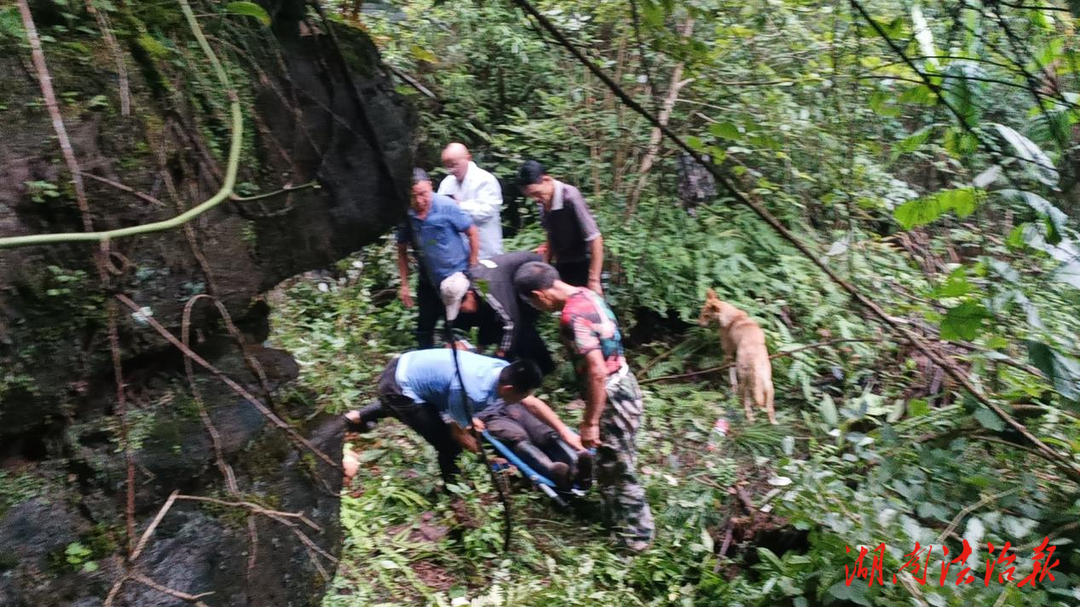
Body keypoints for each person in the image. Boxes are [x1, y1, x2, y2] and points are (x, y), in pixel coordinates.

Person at [513, 261, 654, 552]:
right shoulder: (587, 294)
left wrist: (590, 421)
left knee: (617, 468)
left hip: (613, 395)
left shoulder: (571, 316)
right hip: (625, 384)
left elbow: (597, 371)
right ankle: (618, 520)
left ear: (539, 296)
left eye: (534, 304)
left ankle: (636, 540)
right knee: (610, 463)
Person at [343, 351, 582, 485]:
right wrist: (483, 454)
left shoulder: (502, 370)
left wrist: (565, 433)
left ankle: (358, 417)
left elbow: (533, 403)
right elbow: (457, 433)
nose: (525, 398)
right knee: (447, 445)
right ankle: (454, 491)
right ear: (509, 389)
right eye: (522, 394)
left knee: (428, 410)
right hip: (398, 385)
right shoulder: (472, 390)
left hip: (410, 366)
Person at [398, 168, 479, 348]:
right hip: (428, 282)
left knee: (457, 329)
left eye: (423, 194)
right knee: (424, 328)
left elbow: (473, 233)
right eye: (414, 196)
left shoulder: (446, 206)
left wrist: (473, 268)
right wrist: (403, 284)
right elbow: (401, 248)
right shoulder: (406, 215)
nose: (419, 201)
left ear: (430, 186)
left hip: (456, 280)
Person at [445, 251, 555, 375]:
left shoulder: (489, 289)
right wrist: (480, 347)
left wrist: (502, 353)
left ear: (469, 295)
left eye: (460, 307)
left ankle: (543, 368)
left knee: (522, 330)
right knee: (495, 321)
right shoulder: (472, 285)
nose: (461, 310)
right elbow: (487, 317)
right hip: (509, 284)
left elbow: (511, 323)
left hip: (535, 276)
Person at [516, 161, 604, 294]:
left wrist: (594, 280)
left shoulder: (570, 196)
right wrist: (545, 267)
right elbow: (550, 235)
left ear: (547, 179)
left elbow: (595, 238)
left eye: (537, 193)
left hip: (583, 262)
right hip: (562, 261)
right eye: (531, 196)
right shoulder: (542, 202)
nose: (536, 199)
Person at [439, 143, 504, 259]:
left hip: (485, 249)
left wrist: (458, 206)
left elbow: (486, 212)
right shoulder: (446, 183)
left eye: (455, 165)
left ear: (468, 158)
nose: (452, 170)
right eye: (448, 166)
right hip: (457, 252)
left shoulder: (485, 180)